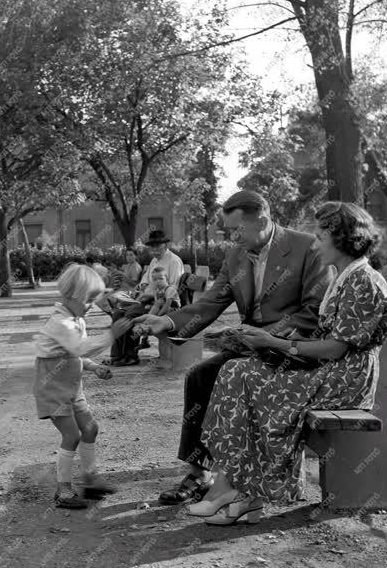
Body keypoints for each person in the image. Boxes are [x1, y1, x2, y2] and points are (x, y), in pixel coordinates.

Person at [190, 202, 387, 524]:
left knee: (242, 376)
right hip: (332, 372)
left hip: (344, 379)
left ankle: (235, 490)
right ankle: (238, 491)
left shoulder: (361, 281)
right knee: (236, 370)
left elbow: (336, 349)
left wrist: (275, 343)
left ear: (343, 239)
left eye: (321, 237)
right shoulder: (347, 276)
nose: (314, 244)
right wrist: (266, 342)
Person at [134, 190, 333, 505]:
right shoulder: (236, 255)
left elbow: (313, 310)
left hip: (293, 350)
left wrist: (268, 336)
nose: (232, 238)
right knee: (200, 376)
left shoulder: (307, 247)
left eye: (238, 230)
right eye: (229, 232)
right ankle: (200, 473)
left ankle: (239, 483)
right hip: (252, 346)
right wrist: (168, 322)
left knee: (227, 373)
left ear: (263, 220)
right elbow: (212, 300)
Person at [32, 263, 132, 509]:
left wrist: (94, 366)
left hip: (72, 389)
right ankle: (63, 490)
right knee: (72, 435)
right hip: (53, 390)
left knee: (90, 429)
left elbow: (76, 354)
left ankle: (90, 479)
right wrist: (112, 335)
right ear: (72, 296)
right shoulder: (60, 323)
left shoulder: (75, 319)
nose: (91, 306)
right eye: (88, 300)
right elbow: (77, 348)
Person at [106, 230, 184, 367]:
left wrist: (151, 295)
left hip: (162, 303)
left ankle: (130, 356)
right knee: (118, 313)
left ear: (165, 245)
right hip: (148, 299)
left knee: (130, 315)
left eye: (157, 247)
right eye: (152, 248)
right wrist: (142, 288)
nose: (154, 251)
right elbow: (145, 279)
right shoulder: (155, 260)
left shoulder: (174, 261)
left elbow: (173, 288)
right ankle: (117, 355)